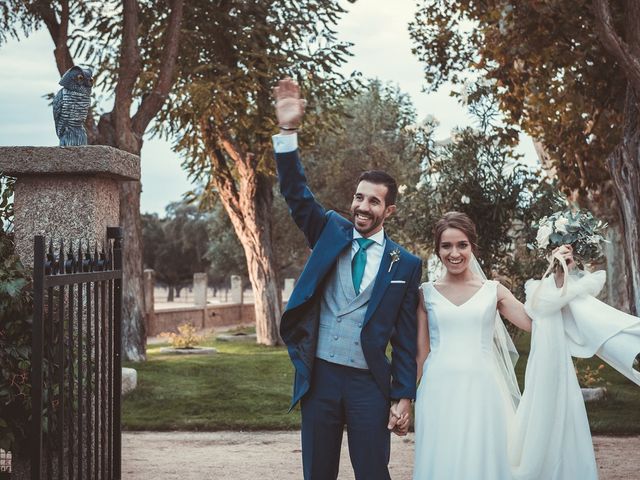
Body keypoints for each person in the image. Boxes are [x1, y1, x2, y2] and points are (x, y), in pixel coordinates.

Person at [272, 77, 422, 480]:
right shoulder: (330, 231)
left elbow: (405, 340)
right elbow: (295, 192)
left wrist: (403, 395)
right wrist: (288, 134)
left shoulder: (404, 264)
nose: (362, 206)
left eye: (374, 200)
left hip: (368, 384)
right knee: (317, 472)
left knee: (373, 471)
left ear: (388, 211)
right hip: (319, 378)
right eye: (359, 197)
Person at [413, 211, 576, 479]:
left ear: (472, 247)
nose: (454, 253)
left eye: (462, 245)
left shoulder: (493, 291)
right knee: (440, 460)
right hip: (437, 391)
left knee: (483, 461)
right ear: (437, 249)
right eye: (446, 246)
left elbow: (535, 324)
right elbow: (420, 354)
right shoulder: (425, 293)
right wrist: (402, 399)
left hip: (484, 391)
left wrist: (559, 278)